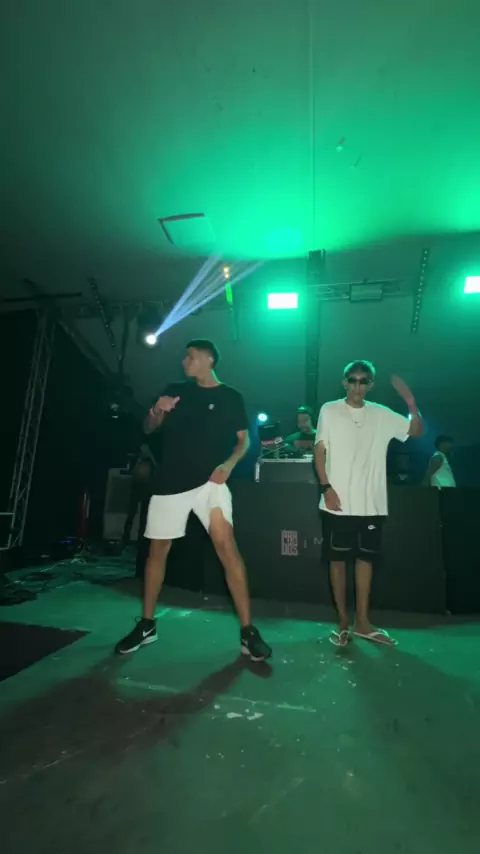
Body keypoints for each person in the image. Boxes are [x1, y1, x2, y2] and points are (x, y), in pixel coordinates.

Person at [115, 339, 271, 662]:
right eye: (185, 356)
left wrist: (228, 465)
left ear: (209, 360)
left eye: (191, 356)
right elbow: (148, 428)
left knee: (227, 547)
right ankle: (147, 625)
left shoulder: (230, 397)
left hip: (210, 484)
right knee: (157, 552)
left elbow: (244, 441)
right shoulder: (175, 391)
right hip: (170, 483)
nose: (185, 360)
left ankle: (248, 632)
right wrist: (157, 411)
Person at [314, 360, 423, 648]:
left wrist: (410, 402)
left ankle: (362, 622)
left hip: (372, 504)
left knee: (365, 561)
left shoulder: (381, 414)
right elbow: (319, 450)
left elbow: (415, 432)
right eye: (352, 380)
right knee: (337, 562)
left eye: (363, 381)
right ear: (344, 382)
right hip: (337, 503)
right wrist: (326, 487)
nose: (357, 386)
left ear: (370, 385)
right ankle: (343, 621)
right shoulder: (329, 410)